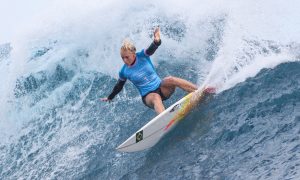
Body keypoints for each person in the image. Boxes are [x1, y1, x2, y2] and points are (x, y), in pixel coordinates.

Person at [101, 27, 199, 114]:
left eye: (127, 57)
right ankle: (163, 120)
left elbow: (152, 48)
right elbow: (118, 86)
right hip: (148, 97)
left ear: (133, 54)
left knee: (171, 79)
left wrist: (156, 40)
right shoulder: (124, 71)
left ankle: (198, 91)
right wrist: (110, 97)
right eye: (122, 58)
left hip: (162, 89)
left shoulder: (142, 56)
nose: (125, 60)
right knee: (156, 97)